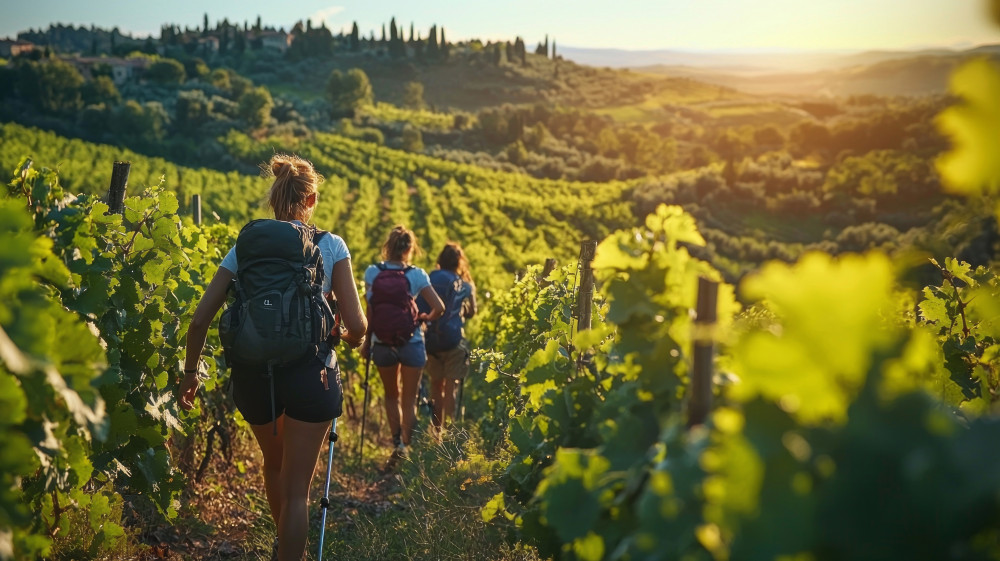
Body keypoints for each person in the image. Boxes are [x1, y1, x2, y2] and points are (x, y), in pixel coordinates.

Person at [179, 154, 367, 561]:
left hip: (253, 375)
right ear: (312, 199)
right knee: (299, 490)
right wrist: (347, 336)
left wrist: (191, 373)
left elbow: (199, 321)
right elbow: (358, 325)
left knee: (274, 466)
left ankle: (282, 544)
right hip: (309, 373)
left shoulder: (246, 247)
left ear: (273, 198)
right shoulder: (330, 245)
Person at [362, 225, 444, 459]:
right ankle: (407, 447)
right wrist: (426, 317)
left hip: (382, 343)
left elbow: (370, 312)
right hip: (412, 342)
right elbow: (439, 307)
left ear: (388, 247)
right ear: (410, 249)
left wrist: (367, 342)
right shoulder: (416, 275)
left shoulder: (372, 273)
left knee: (391, 395)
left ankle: (397, 442)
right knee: (409, 399)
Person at [422, 243, 477, 435]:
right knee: (451, 387)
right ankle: (450, 432)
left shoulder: (429, 277)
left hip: (430, 341)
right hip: (453, 341)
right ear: (459, 262)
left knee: (436, 385)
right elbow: (472, 312)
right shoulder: (464, 284)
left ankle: (436, 432)